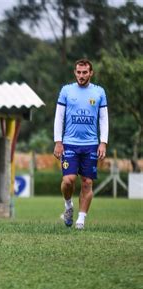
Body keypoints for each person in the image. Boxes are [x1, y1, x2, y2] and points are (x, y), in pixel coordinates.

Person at [53, 59, 109, 230]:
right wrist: (58, 141)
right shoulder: (66, 91)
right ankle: (68, 205)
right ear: (75, 72)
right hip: (69, 144)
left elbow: (103, 119)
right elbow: (59, 117)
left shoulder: (99, 92)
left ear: (91, 73)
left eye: (85, 72)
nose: (81, 75)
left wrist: (103, 142)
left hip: (91, 145)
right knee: (68, 180)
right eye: (79, 72)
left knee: (87, 183)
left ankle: (81, 220)